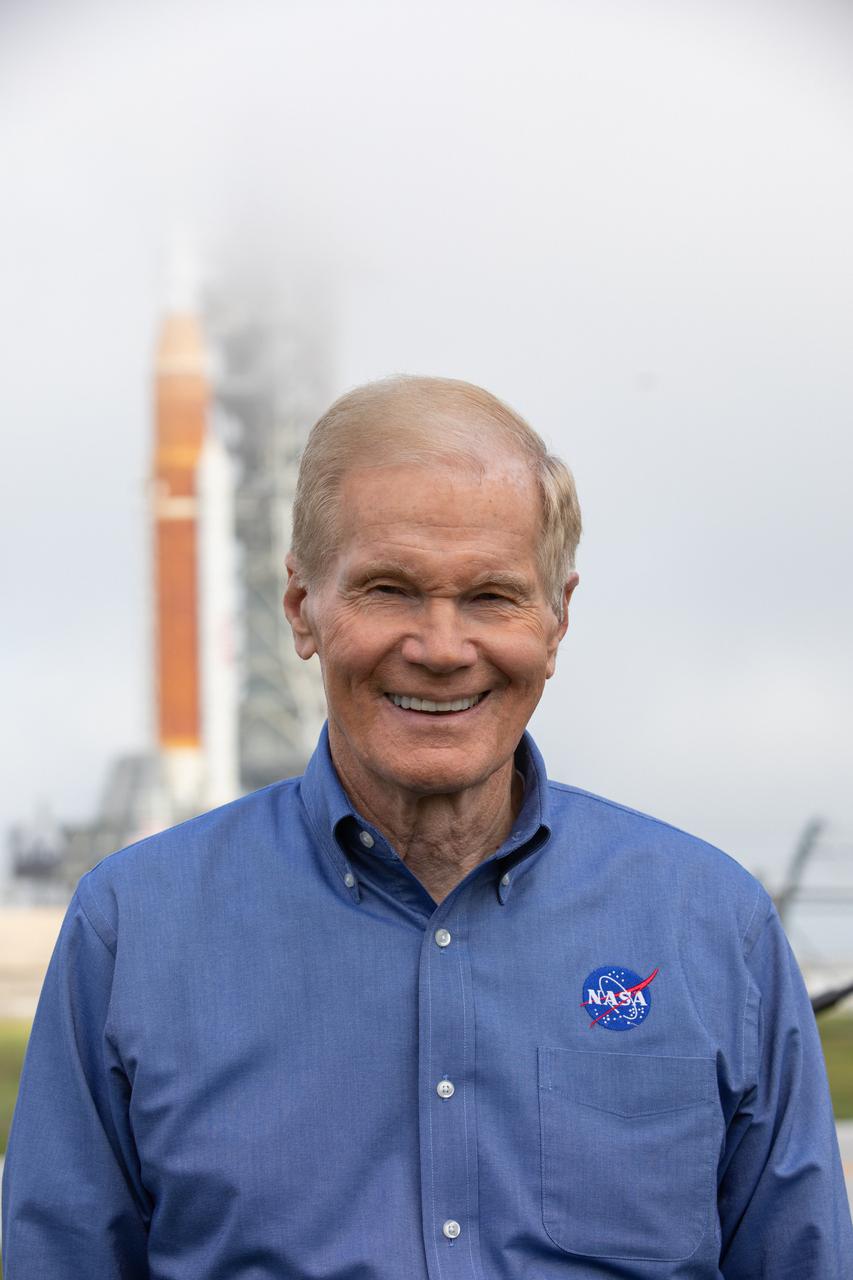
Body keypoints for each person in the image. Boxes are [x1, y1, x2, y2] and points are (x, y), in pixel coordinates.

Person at [2, 376, 851, 1278]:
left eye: (491, 596)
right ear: (301, 610)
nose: (442, 648)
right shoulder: (132, 932)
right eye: (389, 590)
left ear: (557, 620)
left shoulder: (712, 927)